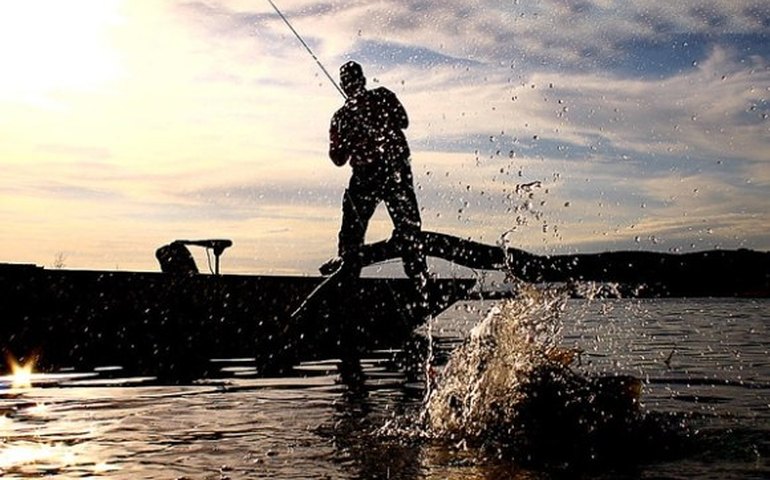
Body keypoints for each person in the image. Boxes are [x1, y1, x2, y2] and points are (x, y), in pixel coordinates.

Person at [328, 61, 428, 291]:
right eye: (348, 82)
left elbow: (403, 121)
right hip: (365, 176)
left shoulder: (382, 96)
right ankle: (345, 281)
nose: (352, 85)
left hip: (394, 171)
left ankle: (419, 280)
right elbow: (337, 159)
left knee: (408, 228)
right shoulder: (342, 117)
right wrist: (351, 137)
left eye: (354, 81)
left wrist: (377, 120)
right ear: (343, 86)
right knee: (351, 235)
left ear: (362, 81)